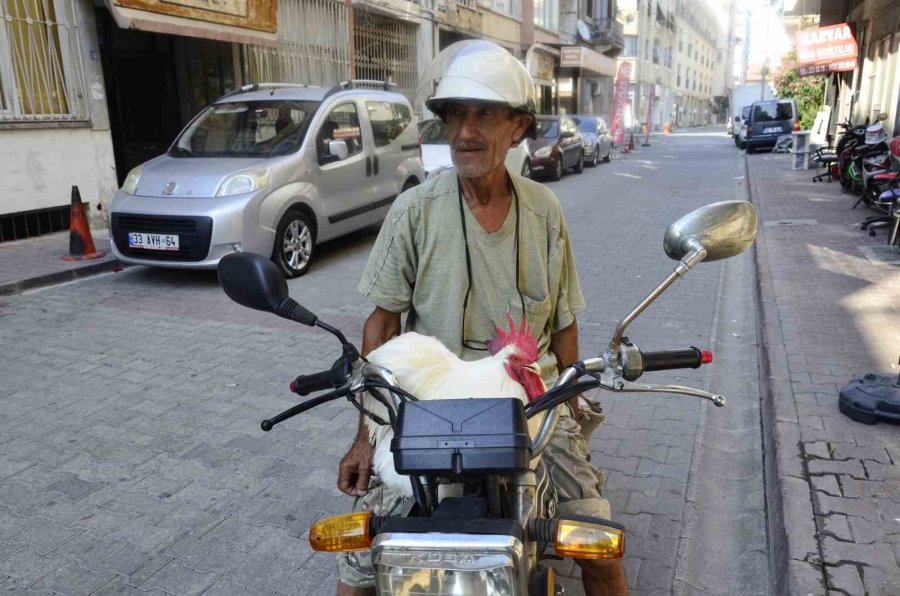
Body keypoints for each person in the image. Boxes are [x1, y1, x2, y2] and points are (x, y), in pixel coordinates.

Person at [335, 40, 628, 596]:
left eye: (485, 114)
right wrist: (365, 436)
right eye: (455, 115)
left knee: (600, 551)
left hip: (531, 402)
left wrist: (570, 406)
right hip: (430, 405)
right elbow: (381, 326)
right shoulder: (414, 210)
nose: (466, 132)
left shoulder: (544, 211)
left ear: (517, 128)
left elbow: (564, 323)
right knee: (359, 565)